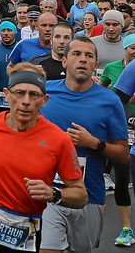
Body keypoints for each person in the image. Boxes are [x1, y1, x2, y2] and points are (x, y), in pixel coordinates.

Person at [0, 64, 86, 253]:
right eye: (19, 93)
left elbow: (80, 195)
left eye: (34, 95)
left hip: (28, 226)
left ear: (44, 100)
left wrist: (54, 194)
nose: (26, 101)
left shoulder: (59, 140)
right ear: (7, 95)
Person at [40, 37, 128, 253]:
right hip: (47, 193)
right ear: (64, 61)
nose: (83, 60)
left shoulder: (109, 101)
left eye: (89, 56)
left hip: (89, 195)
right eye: (76, 54)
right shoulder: (45, 93)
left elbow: (123, 154)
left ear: (95, 65)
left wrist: (94, 143)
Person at [101, 33, 135, 247]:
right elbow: (118, 99)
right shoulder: (133, 68)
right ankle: (127, 228)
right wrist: (131, 119)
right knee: (123, 178)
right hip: (130, 133)